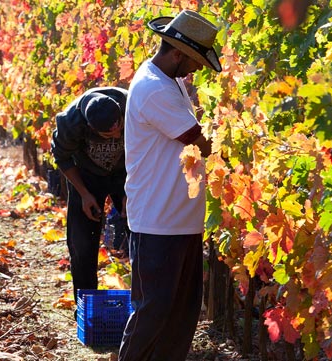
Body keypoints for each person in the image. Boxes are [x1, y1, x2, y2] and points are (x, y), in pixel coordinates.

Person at [120, 10, 222, 360]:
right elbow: (200, 142)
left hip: (180, 220)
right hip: (158, 220)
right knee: (155, 311)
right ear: (177, 52)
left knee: (182, 314)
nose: (195, 71)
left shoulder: (170, 81)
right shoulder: (152, 88)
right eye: (194, 62)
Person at [50, 86, 129, 311]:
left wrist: (129, 192)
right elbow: (62, 158)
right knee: (82, 242)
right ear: (89, 127)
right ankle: (87, 307)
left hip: (125, 171)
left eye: (119, 130)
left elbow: (145, 149)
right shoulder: (70, 122)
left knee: (140, 230)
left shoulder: (131, 104)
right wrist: (84, 194)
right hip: (87, 175)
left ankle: (143, 305)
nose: (116, 136)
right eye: (108, 135)